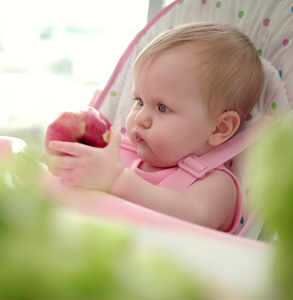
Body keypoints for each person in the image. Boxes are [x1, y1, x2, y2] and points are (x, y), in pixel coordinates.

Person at [44, 22, 264, 232]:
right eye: (139, 101)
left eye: (162, 108)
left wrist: (117, 180)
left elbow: (191, 219)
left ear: (220, 128)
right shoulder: (119, 153)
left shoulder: (215, 185)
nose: (140, 118)